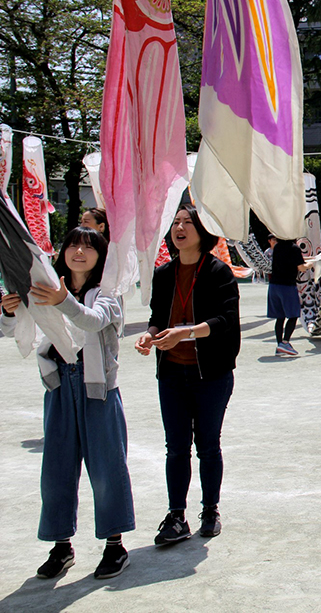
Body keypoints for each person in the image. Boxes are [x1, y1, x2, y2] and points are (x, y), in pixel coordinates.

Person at [1, 227, 134, 580]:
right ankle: (61, 546)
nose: (79, 252)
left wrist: (62, 300)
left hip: (98, 390)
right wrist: (10, 311)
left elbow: (92, 321)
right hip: (59, 385)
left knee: (107, 469)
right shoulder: (42, 286)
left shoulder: (107, 292)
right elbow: (9, 329)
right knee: (56, 471)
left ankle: (114, 545)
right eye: (73, 245)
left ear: (101, 255)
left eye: (88, 247)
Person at [135, 204, 241, 544]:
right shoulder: (164, 274)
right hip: (171, 374)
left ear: (203, 230)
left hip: (210, 374)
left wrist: (186, 332)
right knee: (176, 447)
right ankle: (176, 515)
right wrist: (150, 334)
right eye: (176, 223)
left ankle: (210, 509)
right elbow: (157, 316)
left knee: (208, 445)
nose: (179, 228)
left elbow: (225, 322)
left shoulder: (218, 272)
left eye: (187, 222)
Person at [268, 238, 310, 356]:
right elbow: (301, 267)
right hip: (287, 286)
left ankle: (279, 344)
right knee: (293, 314)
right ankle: (285, 342)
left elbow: (290, 260)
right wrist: (310, 265)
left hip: (274, 285)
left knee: (279, 317)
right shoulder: (294, 248)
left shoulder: (277, 247)